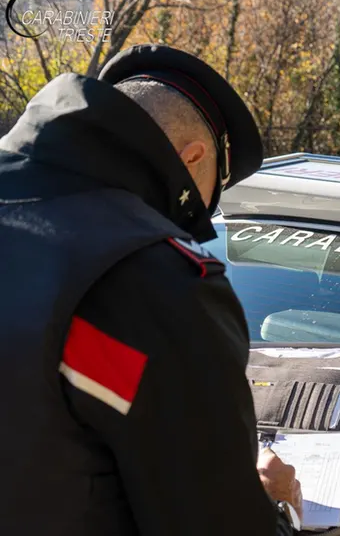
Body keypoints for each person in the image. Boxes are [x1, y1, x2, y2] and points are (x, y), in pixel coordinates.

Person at [0, 44, 303, 536]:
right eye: (211, 197)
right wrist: (275, 506)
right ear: (193, 159)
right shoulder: (152, 278)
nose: (200, 220)